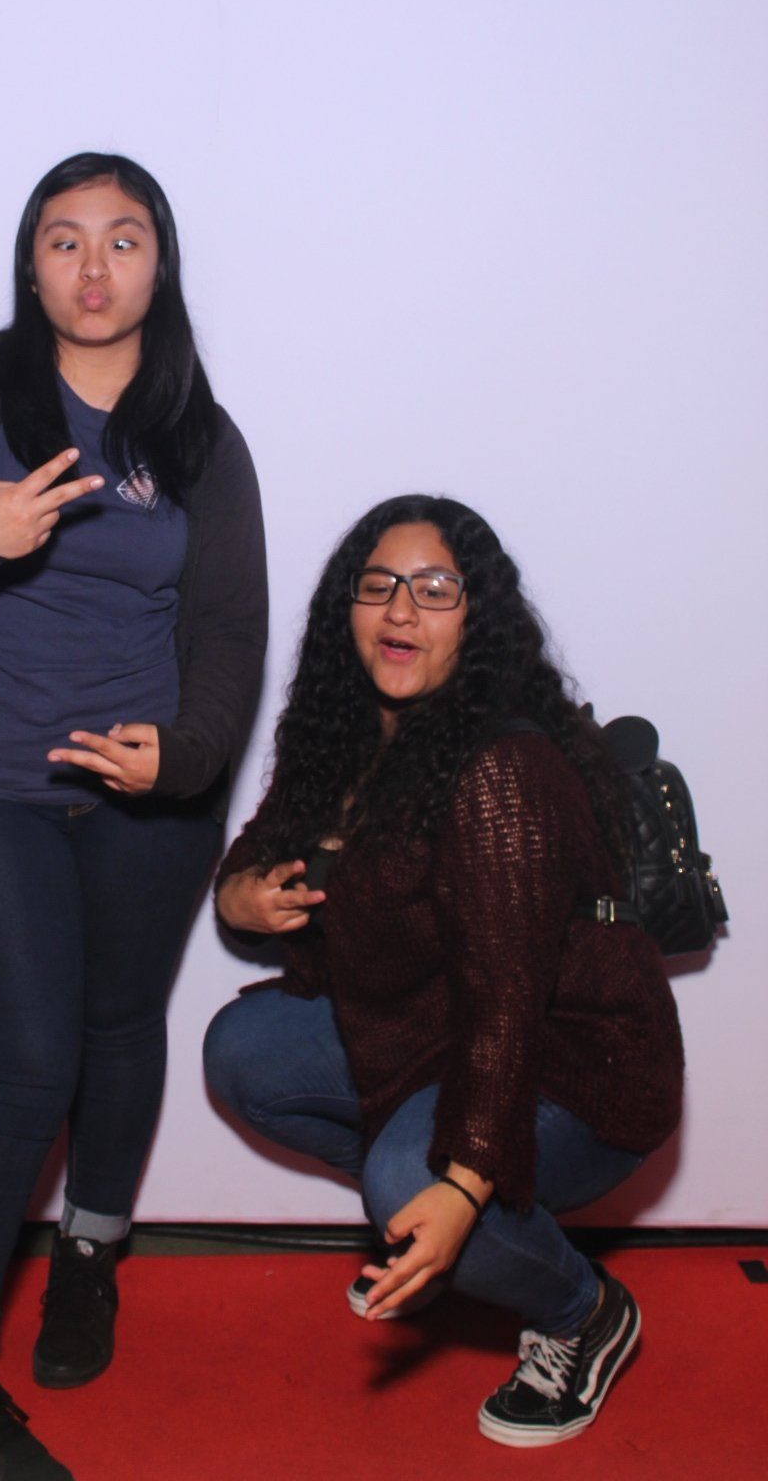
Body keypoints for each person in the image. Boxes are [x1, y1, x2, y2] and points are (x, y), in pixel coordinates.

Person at [0, 151, 267, 1480]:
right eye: (64, 239)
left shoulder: (199, 434)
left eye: (123, 238)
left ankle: (90, 1250)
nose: (93, 267)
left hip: (147, 791)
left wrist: (184, 757)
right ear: (30, 265)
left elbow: (230, 631)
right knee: (27, 1069)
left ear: (160, 263)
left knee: (119, 1027)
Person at [203, 495, 683, 1449]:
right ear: (346, 606)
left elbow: (508, 1005)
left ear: (477, 615)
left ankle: (580, 1311)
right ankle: (449, 1233)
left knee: (405, 1180)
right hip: (433, 1029)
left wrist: (459, 1188)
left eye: (434, 589)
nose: (400, 610)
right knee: (243, 1052)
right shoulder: (348, 732)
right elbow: (264, 845)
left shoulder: (501, 768)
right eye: (378, 585)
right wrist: (239, 897)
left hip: (570, 1065)